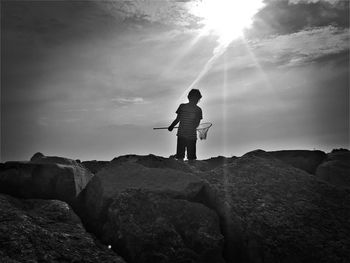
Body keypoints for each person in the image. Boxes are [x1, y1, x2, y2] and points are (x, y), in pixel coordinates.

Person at [168, 89, 203, 161]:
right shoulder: (198, 109)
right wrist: (171, 126)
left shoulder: (183, 106)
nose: (195, 100)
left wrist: (171, 126)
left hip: (185, 135)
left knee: (184, 156)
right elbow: (197, 124)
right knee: (190, 157)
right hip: (189, 136)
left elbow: (178, 119)